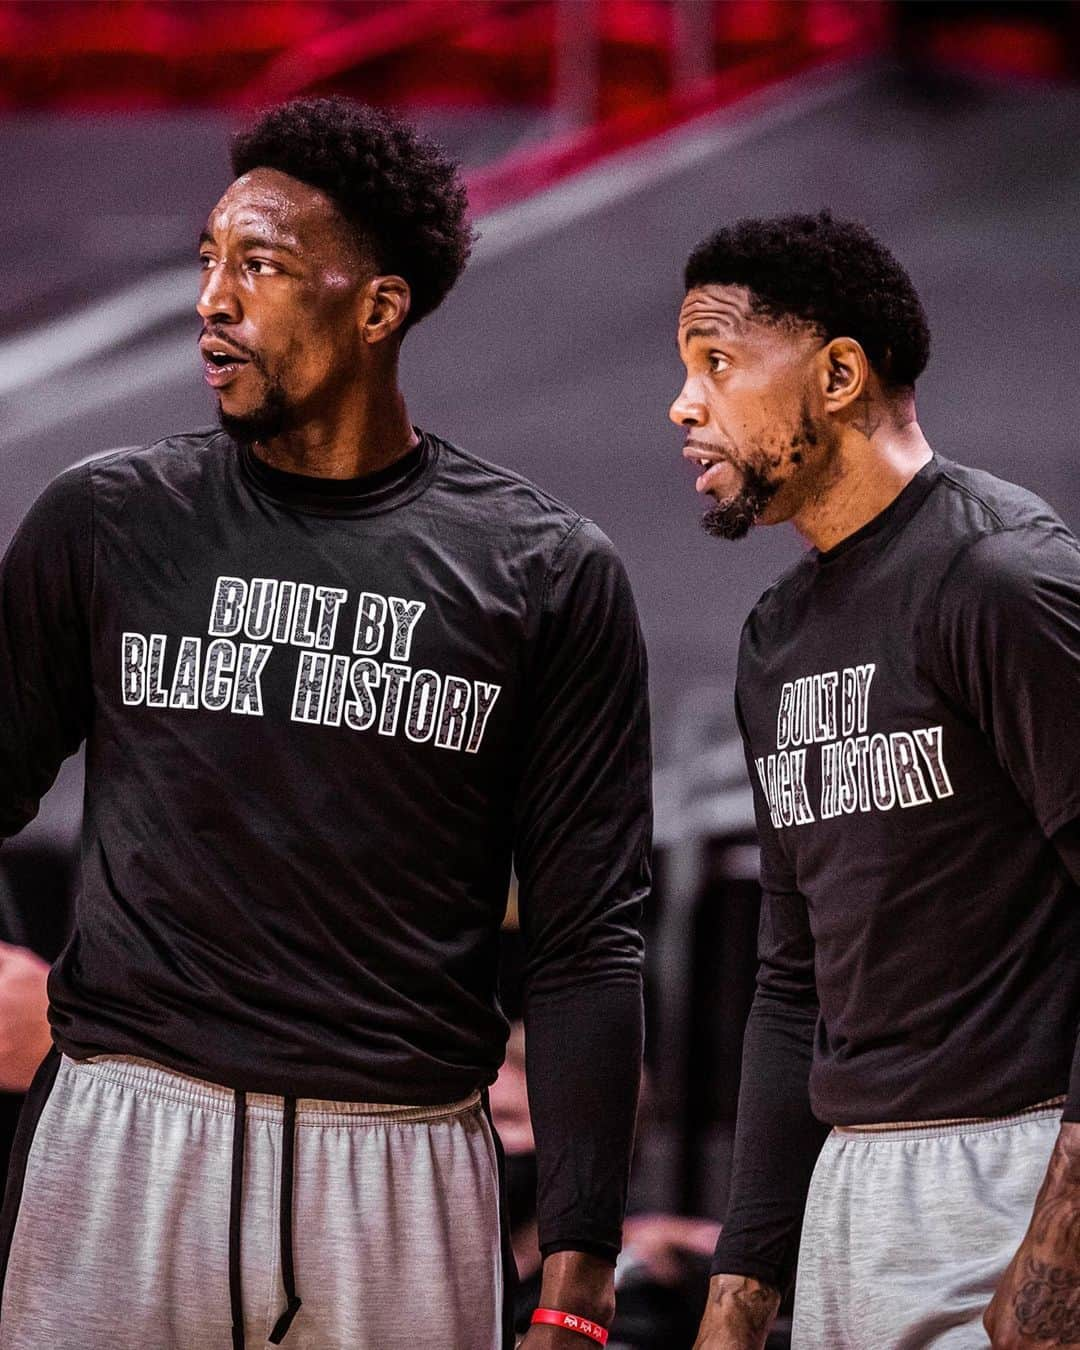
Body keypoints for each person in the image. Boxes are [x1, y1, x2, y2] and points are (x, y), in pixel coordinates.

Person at [0, 96, 652, 1350]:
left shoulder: (545, 570)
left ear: (378, 308)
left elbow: (585, 944)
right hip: (126, 1134)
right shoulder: (106, 522)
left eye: (261, 265)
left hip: (396, 1162)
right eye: (207, 261)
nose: (212, 298)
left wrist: (578, 1265)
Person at [667, 212, 1080, 1350]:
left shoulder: (1003, 577)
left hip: (1014, 1168)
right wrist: (740, 1293)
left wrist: (1058, 1257)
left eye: (716, 363)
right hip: (850, 1192)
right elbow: (792, 983)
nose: (684, 404)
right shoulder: (775, 637)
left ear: (839, 373)